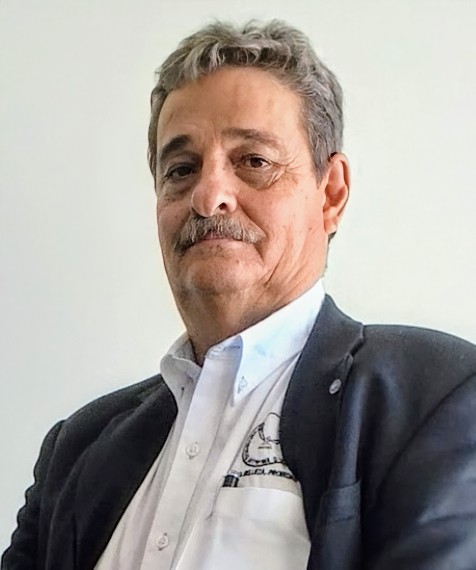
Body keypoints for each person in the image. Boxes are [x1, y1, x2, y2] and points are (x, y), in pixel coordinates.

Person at [2, 19, 476, 570]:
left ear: (330, 193)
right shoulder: (78, 448)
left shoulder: (433, 398)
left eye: (254, 162)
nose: (209, 197)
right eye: (181, 169)